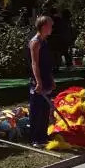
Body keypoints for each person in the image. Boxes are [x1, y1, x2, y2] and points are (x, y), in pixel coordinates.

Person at [27, 16, 55, 148]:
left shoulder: (45, 41)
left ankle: (43, 135)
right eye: (50, 25)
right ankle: (35, 138)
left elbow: (47, 63)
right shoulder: (35, 42)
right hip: (37, 80)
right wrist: (38, 82)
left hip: (46, 77)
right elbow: (35, 63)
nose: (52, 28)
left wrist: (51, 79)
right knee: (37, 109)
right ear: (43, 26)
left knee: (45, 108)